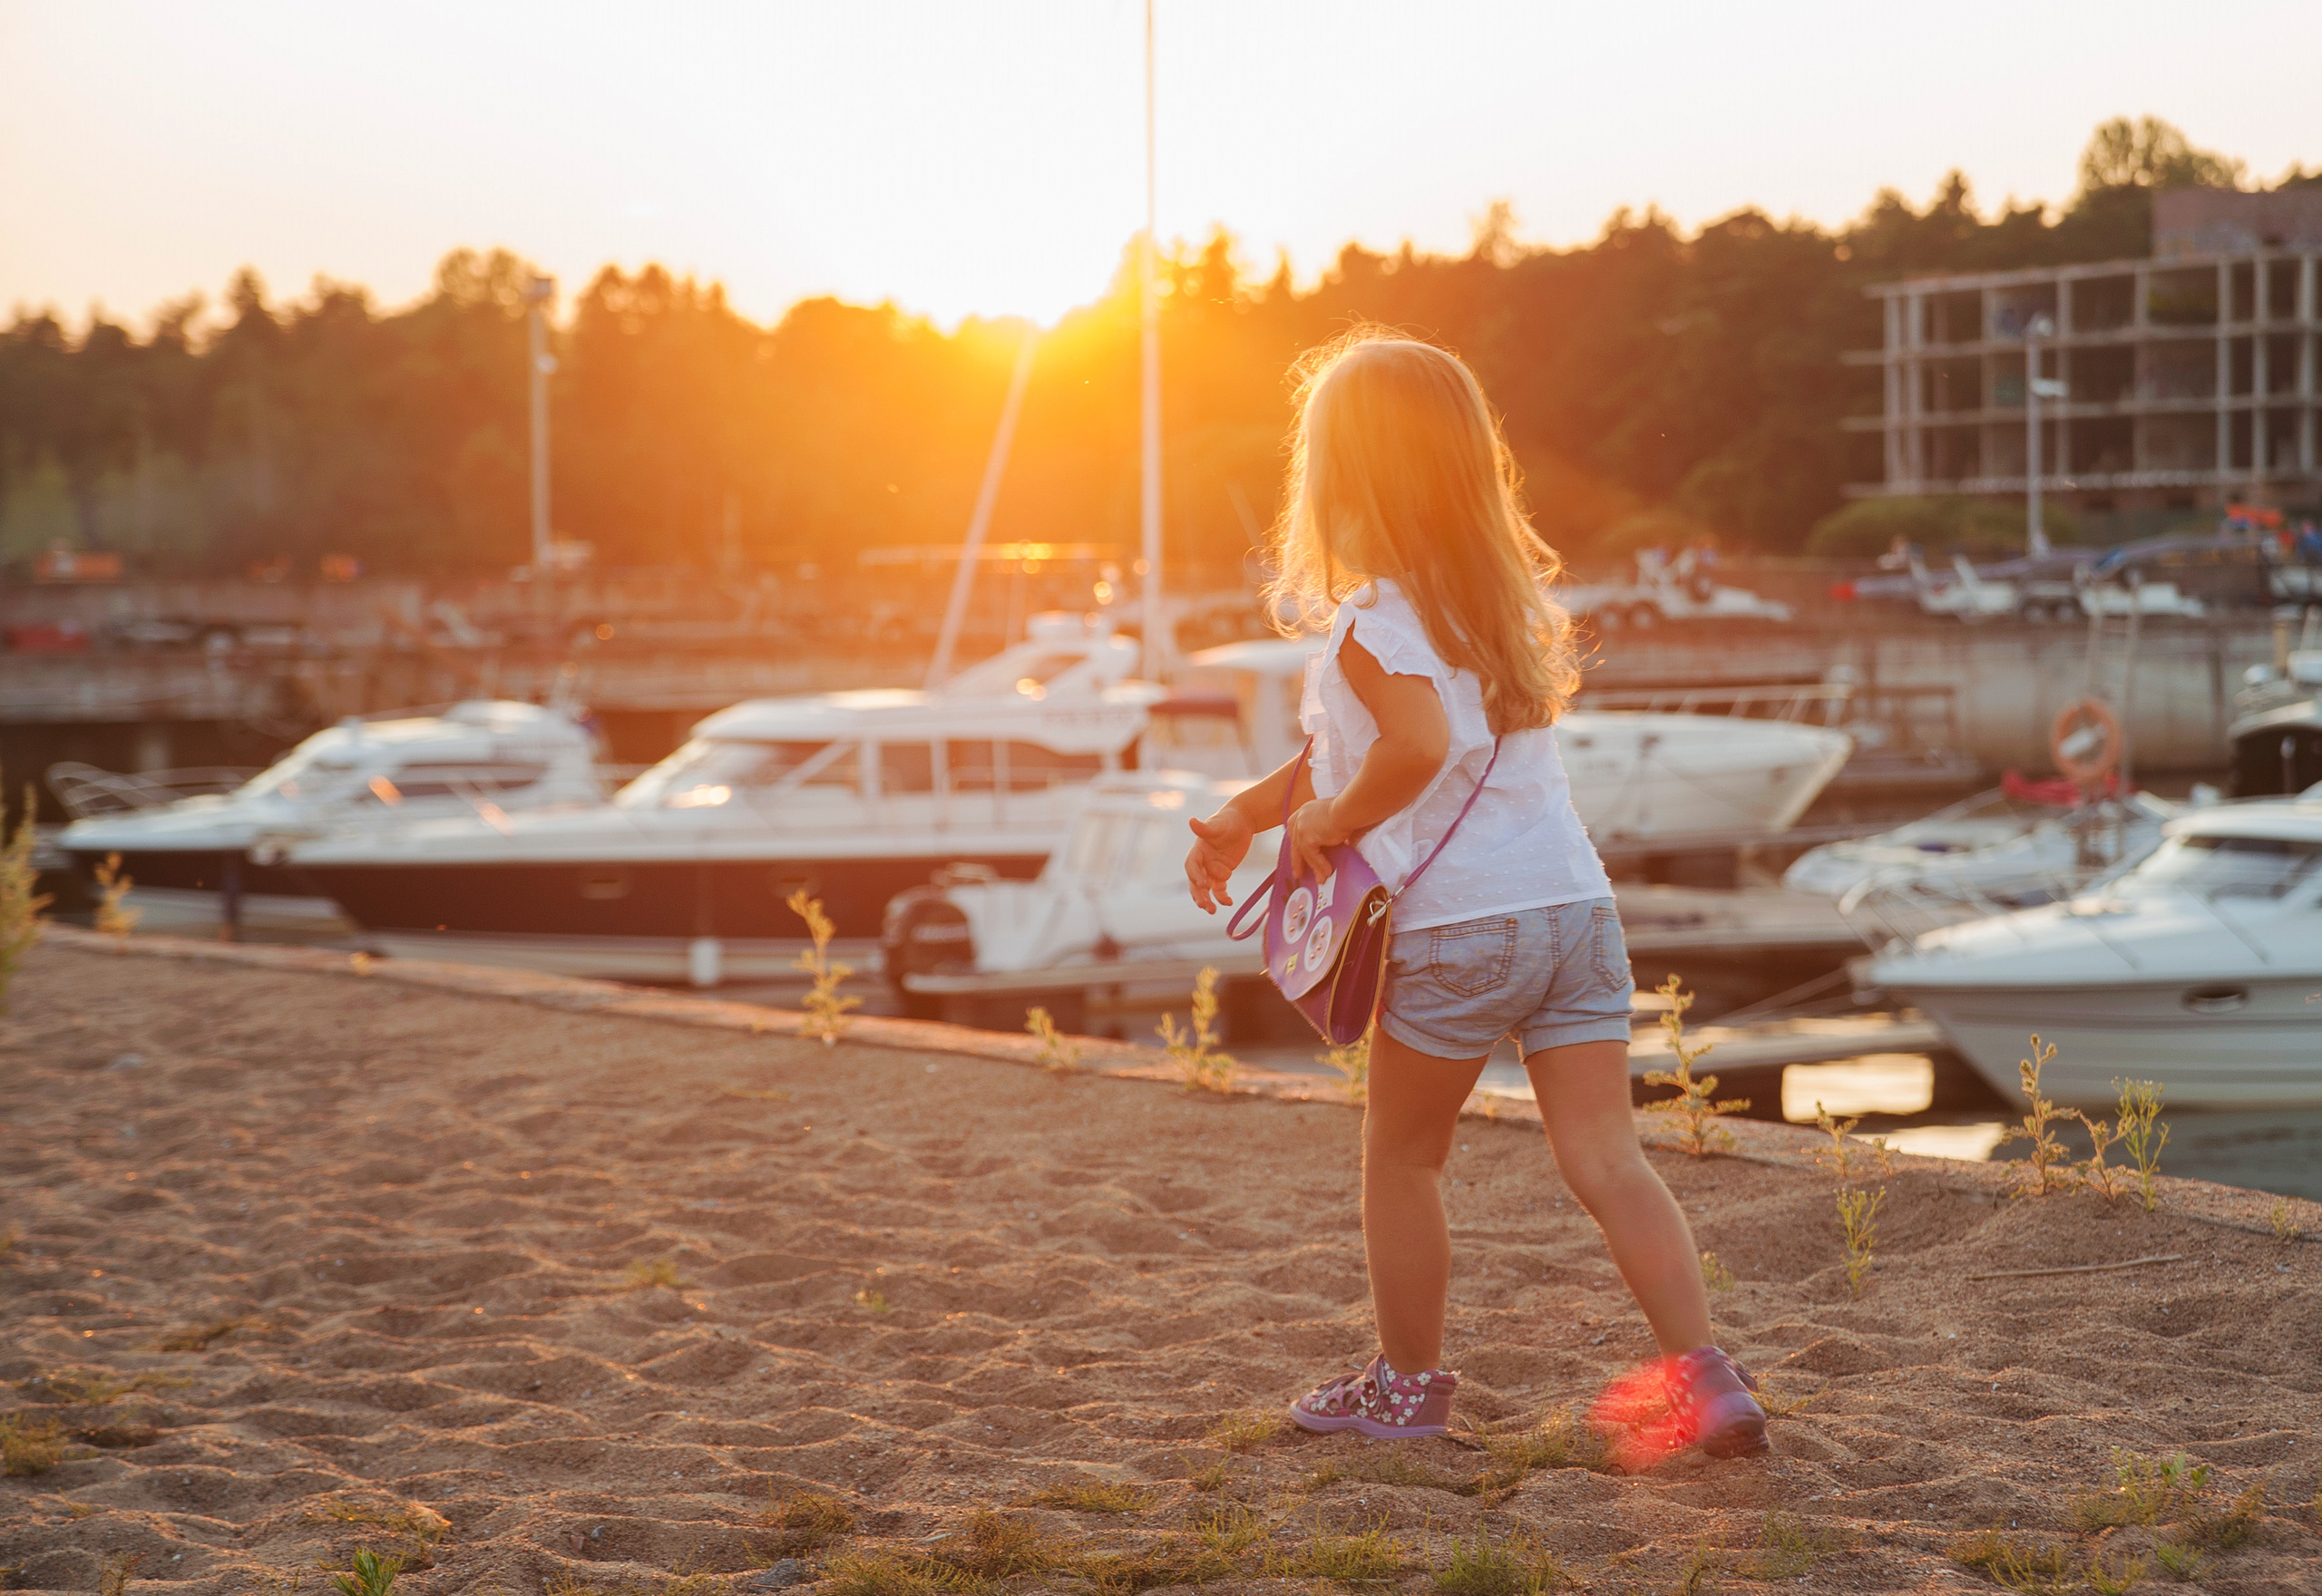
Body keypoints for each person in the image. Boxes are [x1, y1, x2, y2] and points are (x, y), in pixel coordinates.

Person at [1182, 331, 1767, 1460]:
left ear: (1340, 476)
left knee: (1402, 1159)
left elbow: (1409, 748)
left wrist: (1327, 824)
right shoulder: (1501, 610)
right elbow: (1348, 748)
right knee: (1608, 1158)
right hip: (1575, 916)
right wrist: (1250, 815)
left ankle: (1405, 1387)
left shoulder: (1370, 622)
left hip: (1460, 930)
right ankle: (1707, 1375)